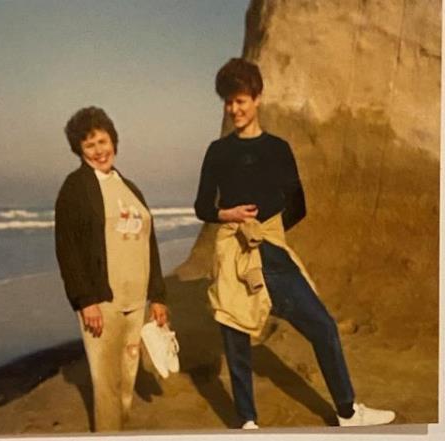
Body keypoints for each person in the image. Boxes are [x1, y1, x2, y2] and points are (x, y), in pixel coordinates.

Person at [194, 58, 396, 429]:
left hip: (271, 251)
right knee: (236, 336)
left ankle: (347, 412)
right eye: (228, 102)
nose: (234, 109)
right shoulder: (217, 151)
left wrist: (268, 232)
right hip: (232, 251)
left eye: (241, 100)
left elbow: (298, 204)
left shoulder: (278, 148)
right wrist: (230, 215)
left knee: (322, 325)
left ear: (257, 98)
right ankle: (247, 422)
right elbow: (202, 207)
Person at [55, 106, 168, 432]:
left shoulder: (130, 187)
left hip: (136, 301)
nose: (98, 151)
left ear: (114, 142)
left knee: (127, 381)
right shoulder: (75, 187)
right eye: (89, 145)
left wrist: (158, 297)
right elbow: (67, 249)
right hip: (102, 304)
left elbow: (149, 244)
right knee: (106, 385)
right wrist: (85, 300)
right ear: (79, 150)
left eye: (102, 141)